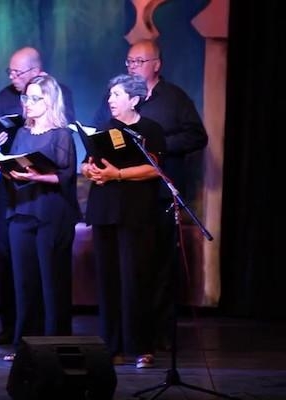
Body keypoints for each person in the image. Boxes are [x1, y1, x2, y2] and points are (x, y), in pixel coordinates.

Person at [0, 46, 76, 346]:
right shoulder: (22, 133)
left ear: (50, 101)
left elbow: (64, 176)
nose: (29, 103)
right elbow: (17, 171)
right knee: (24, 282)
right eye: (27, 98)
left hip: (50, 214)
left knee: (51, 282)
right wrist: (3, 165)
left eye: (36, 98)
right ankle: (24, 344)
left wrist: (38, 175)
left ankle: (54, 343)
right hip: (21, 212)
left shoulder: (60, 134)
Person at [123, 39, 208, 351]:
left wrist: (159, 145)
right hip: (128, 196)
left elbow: (197, 136)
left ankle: (159, 333)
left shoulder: (174, 98)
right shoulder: (123, 98)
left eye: (139, 62)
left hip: (161, 195)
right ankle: (132, 333)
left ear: (156, 64)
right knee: (134, 265)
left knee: (161, 266)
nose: (133, 67)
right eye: (129, 62)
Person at [81, 74, 165, 369]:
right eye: (110, 95)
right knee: (108, 281)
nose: (110, 100)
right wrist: (90, 171)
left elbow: (154, 168)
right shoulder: (105, 129)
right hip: (105, 211)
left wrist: (117, 174)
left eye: (116, 95)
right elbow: (86, 163)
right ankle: (111, 345)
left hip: (136, 213)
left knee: (136, 279)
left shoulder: (150, 129)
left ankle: (140, 346)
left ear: (134, 99)